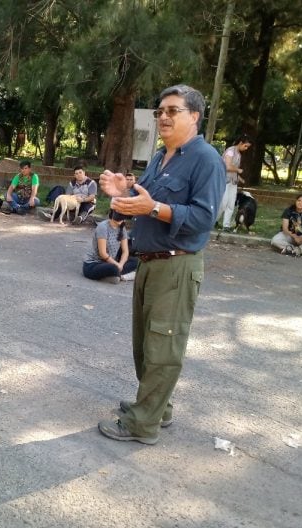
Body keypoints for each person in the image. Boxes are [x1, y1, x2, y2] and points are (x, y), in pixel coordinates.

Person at [96, 84, 225, 445]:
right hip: (149, 262)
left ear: (194, 116)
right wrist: (122, 194)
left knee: (163, 345)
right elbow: (139, 203)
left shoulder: (206, 159)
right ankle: (157, 406)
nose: (164, 117)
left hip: (177, 266)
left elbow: (203, 218)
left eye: (173, 110)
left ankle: (143, 424)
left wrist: (153, 208)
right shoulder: (159, 157)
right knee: (145, 344)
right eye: (160, 111)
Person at [82, 209, 137, 284]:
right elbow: (103, 254)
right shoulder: (103, 227)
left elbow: (125, 251)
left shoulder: (122, 227)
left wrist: (121, 264)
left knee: (135, 261)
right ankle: (119, 276)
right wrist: (117, 265)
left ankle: (116, 276)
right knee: (113, 268)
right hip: (94, 264)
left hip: (111, 262)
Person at [218, 135, 252, 231]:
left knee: (231, 204)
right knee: (223, 203)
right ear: (240, 143)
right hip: (224, 181)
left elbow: (234, 171)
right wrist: (238, 170)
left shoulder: (239, 154)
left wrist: (240, 178)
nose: (246, 148)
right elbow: (227, 166)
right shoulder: (230, 151)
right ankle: (213, 221)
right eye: (245, 146)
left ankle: (226, 225)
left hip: (233, 182)